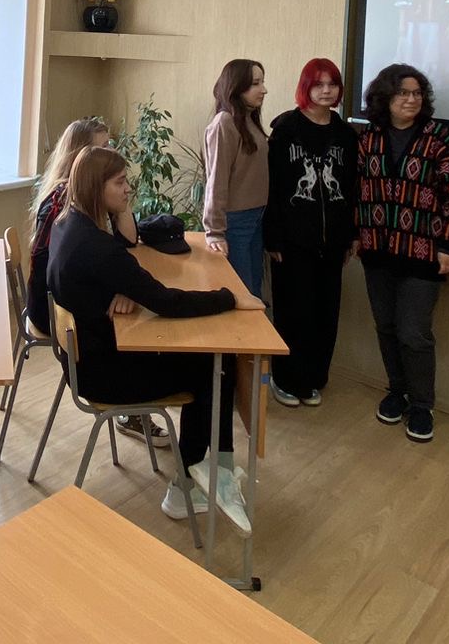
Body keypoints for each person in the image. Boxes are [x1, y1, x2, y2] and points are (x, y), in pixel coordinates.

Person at [45, 147, 261, 534]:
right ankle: (186, 486)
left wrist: (120, 288)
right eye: (120, 182)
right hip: (105, 375)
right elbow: (165, 302)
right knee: (214, 363)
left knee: (214, 358)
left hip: (84, 362)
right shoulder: (98, 248)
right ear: (96, 187)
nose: (129, 189)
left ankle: (215, 468)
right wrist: (229, 297)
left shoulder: (68, 224)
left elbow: (113, 273)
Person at [26, 116, 161, 447]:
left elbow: (128, 242)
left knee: (136, 309)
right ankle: (132, 407)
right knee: (145, 326)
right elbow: (68, 270)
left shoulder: (92, 197)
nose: (111, 152)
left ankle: (133, 408)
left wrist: (124, 204)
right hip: (52, 306)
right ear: (81, 157)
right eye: (103, 148)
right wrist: (122, 286)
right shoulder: (63, 202)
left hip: (74, 299)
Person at [354, 65, 449, 443]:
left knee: (414, 333)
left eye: (417, 93)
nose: (411, 99)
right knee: (385, 326)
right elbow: (359, 189)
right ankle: (396, 391)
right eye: (403, 93)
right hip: (377, 250)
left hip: (424, 254)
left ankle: (421, 405)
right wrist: (356, 234)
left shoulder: (439, 138)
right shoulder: (370, 137)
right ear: (385, 97)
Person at [263, 59, 358, 409]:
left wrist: (351, 234)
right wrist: (273, 237)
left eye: (332, 84)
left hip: (332, 242)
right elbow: (271, 188)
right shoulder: (285, 129)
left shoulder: (346, 135)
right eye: (318, 84)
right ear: (306, 87)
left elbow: (352, 188)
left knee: (325, 312)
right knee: (293, 312)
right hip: (292, 241)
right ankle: (286, 379)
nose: (326, 90)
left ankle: (314, 378)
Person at [202, 59, 270, 298]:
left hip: (256, 217)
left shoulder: (248, 120)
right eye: (255, 84)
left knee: (254, 293)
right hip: (235, 222)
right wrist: (215, 231)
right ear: (237, 87)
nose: (263, 90)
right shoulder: (224, 122)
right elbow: (216, 181)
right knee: (242, 295)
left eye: (262, 82)